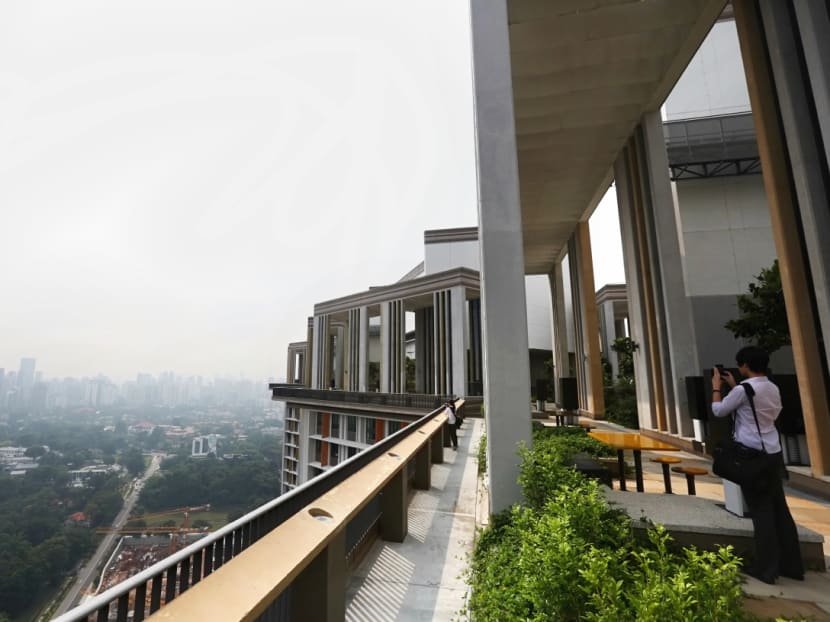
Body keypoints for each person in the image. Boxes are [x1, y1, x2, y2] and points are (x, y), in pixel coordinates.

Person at [712, 345, 804, 584]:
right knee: (780, 510)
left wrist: (716, 388)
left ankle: (766, 568)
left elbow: (719, 410)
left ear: (744, 365)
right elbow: (759, 410)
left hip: (752, 456)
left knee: (761, 511)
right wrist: (736, 387)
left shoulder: (744, 390)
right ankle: (792, 566)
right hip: (773, 453)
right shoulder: (771, 387)